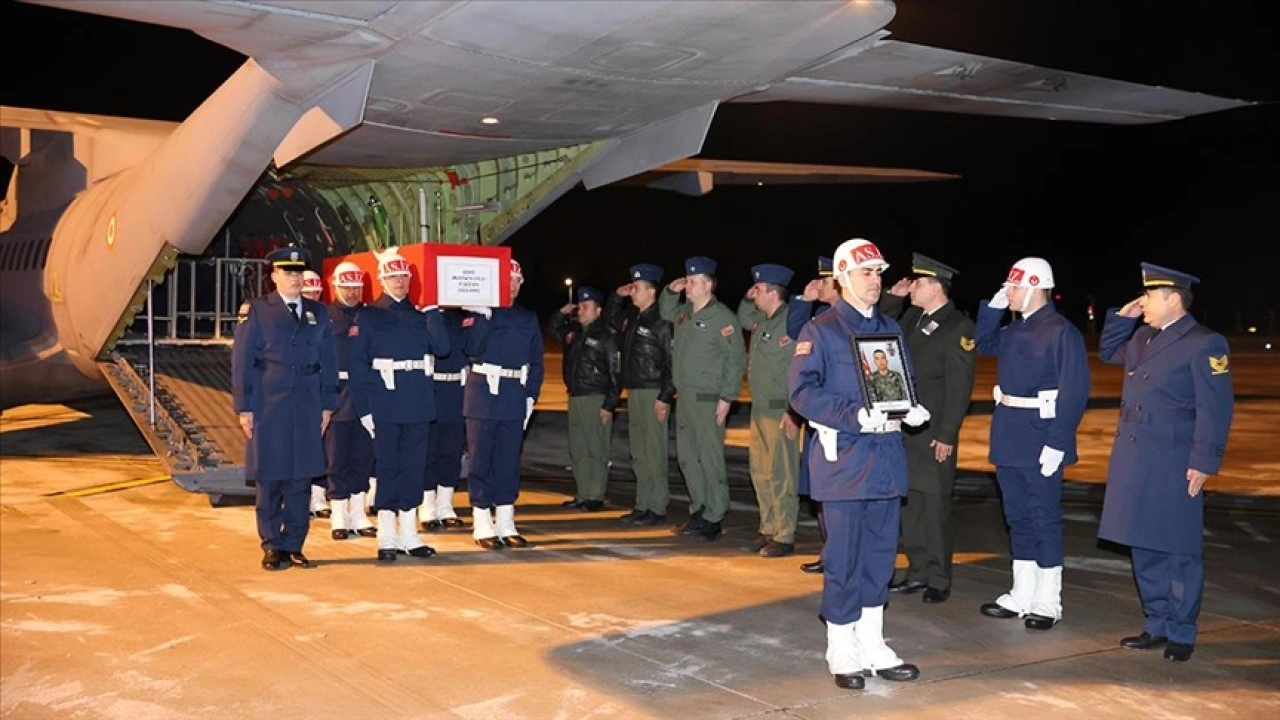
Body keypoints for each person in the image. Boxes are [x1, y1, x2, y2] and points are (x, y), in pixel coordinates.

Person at [789, 238, 931, 690]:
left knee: (880, 555)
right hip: (845, 461)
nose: (875, 281)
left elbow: (901, 381)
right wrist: (853, 416)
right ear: (843, 277)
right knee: (844, 556)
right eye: (866, 273)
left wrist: (910, 407)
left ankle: (872, 642)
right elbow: (802, 393)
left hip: (885, 458)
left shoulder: (889, 328)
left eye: (878, 273)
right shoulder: (821, 330)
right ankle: (841, 646)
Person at [1097, 263, 1233, 663]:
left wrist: (1204, 461)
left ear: (1174, 299)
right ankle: (1155, 623)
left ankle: (1181, 631)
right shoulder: (1142, 337)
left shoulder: (1205, 342)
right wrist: (1122, 318)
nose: (1143, 302)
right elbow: (1108, 353)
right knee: (1143, 543)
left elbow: (1215, 408)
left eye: (1149, 296)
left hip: (1174, 458)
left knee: (1179, 548)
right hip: (1135, 456)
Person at [974, 256, 1090, 630]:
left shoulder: (1061, 332)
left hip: (1041, 437)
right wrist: (993, 309)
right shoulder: (1013, 329)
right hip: (1010, 434)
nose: (1008, 292)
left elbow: (1075, 391)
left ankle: (1047, 600)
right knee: (1018, 517)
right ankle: (1022, 593)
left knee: (1044, 518)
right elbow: (982, 343)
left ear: (1036, 287)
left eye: (1014, 286)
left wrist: (1058, 441)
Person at [232, 245, 339, 572]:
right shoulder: (257, 310)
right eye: (287, 272)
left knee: (300, 478)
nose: (294, 278)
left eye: (298, 272)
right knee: (270, 477)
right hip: (269, 402)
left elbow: (329, 361)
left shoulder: (318, 312)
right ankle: (271, 544)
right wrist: (244, 406)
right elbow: (242, 360)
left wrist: (328, 404)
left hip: (307, 402)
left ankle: (294, 544)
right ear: (274, 275)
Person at [880, 253, 977, 604]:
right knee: (912, 504)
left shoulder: (958, 327)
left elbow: (960, 387)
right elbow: (880, 325)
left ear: (936, 287)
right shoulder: (911, 318)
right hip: (907, 429)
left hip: (934, 431)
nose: (912, 288)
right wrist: (893, 297)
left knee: (935, 506)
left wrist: (947, 433)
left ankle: (938, 576)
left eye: (917, 283)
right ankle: (917, 569)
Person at [348, 246, 450, 562]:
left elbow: (442, 348)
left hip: (417, 403)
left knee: (413, 469)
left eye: (404, 276)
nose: (400, 282)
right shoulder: (368, 315)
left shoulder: (420, 316)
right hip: (385, 403)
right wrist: (364, 409)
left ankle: (409, 534)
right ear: (382, 280)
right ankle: (387, 536)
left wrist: (433, 311)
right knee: (388, 468)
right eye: (393, 277)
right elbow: (357, 366)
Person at [659, 256, 746, 542]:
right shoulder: (684, 313)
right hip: (685, 398)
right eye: (687, 281)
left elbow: (735, 360)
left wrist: (727, 398)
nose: (688, 286)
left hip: (709, 399)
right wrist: (670, 290)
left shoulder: (722, 318)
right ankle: (699, 509)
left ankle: (715, 514)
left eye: (693, 281)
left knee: (709, 459)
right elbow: (665, 310)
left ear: (708, 285)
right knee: (688, 459)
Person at [460, 259, 545, 550]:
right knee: (481, 459)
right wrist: (482, 318)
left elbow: (536, 362)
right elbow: (471, 349)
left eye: (517, 282)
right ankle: (482, 520)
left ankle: (506, 520)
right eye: (507, 280)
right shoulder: (478, 313)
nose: (512, 286)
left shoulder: (527, 317)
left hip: (513, 394)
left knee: (508, 461)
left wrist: (530, 396)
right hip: (483, 393)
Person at [736, 263, 807, 558]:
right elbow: (742, 318)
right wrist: (746, 297)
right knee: (761, 471)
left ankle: (784, 533)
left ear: (771, 292)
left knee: (782, 473)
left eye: (758, 289)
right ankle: (768, 527)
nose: (755, 294)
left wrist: (794, 411)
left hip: (781, 410)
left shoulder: (791, 321)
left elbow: (800, 369)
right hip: (760, 408)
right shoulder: (762, 320)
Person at [605, 263, 676, 527]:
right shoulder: (633, 318)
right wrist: (617, 296)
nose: (632, 292)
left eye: (637, 288)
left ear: (651, 292)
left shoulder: (662, 321)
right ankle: (642, 503)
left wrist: (665, 396)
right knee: (638, 452)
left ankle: (656, 506)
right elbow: (610, 320)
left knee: (653, 451)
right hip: (635, 391)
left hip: (653, 392)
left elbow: (672, 362)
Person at [551, 285, 621, 511]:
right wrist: (562, 312)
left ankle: (595, 495)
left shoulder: (606, 335)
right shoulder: (574, 334)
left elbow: (616, 371)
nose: (580, 311)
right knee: (579, 448)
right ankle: (582, 493)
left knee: (596, 449)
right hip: (576, 396)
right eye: (579, 307)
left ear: (598, 311)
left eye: (585, 307)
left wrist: (610, 403)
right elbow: (553, 328)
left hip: (595, 397)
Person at [789, 256, 838, 574]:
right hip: (818, 418)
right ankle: (829, 551)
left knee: (837, 491)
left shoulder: (847, 319)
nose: (817, 285)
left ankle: (839, 553)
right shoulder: (820, 315)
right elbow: (795, 331)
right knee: (820, 489)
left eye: (824, 281)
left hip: (838, 416)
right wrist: (803, 302)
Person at [323, 261, 377, 541]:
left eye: (357, 287)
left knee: (363, 456)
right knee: (337, 457)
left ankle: (358, 513)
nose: (353, 292)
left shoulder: (370, 316)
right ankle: (338, 514)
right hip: (338, 392)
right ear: (335, 286)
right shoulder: (324, 316)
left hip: (366, 393)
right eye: (347, 287)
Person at [418, 307, 469, 532]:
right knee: (430, 450)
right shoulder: (426, 315)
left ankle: (446, 504)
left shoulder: (462, 315)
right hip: (431, 386)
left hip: (457, 388)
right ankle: (427, 505)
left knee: (452, 450)